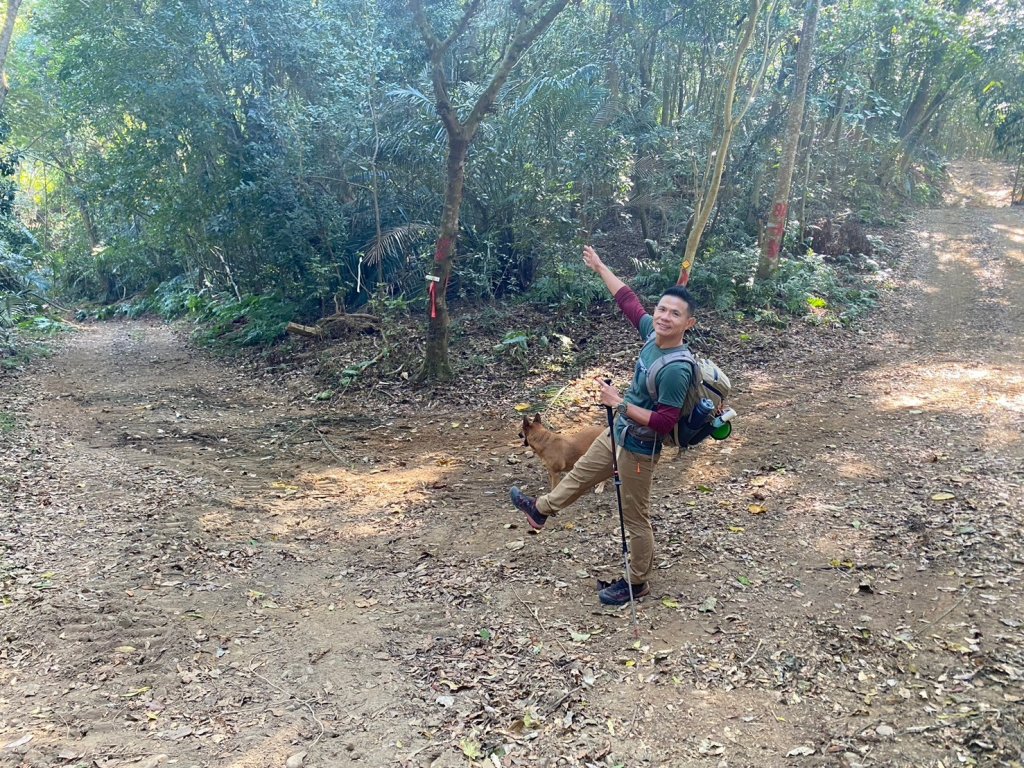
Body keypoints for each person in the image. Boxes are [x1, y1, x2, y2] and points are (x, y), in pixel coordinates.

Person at [510, 245, 698, 606]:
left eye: (675, 314)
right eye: (661, 309)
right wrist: (599, 267)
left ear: (688, 323)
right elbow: (628, 300)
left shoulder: (676, 367)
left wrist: (620, 403)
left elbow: (664, 421)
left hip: (641, 447)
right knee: (580, 474)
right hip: (619, 433)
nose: (664, 317)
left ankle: (636, 582)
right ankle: (540, 510)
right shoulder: (651, 336)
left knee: (635, 517)